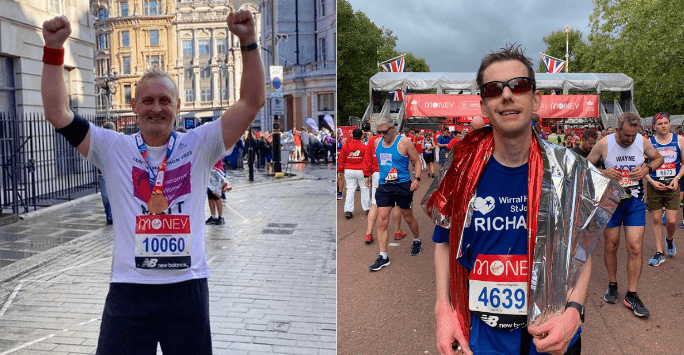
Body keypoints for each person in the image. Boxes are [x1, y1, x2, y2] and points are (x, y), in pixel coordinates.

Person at [41, 10, 264, 354]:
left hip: (186, 288)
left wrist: (248, 42)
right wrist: (54, 50)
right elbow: (58, 113)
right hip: (130, 291)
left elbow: (251, 102)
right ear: (134, 105)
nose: (156, 108)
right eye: (148, 100)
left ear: (178, 105)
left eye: (164, 101)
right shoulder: (113, 147)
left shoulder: (199, 143)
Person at [433, 44, 589, 355]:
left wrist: (575, 311)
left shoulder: (568, 169)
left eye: (518, 86)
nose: (506, 95)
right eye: (493, 89)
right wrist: (442, 308)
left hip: (552, 330)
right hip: (485, 335)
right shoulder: (460, 169)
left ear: (535, 99)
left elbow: (582, 245)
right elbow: (443, 239)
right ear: (483, 105)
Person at [587, 112, 663, 318]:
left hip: (635, 201)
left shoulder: (642, 141)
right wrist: (604, 172)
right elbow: (584, 166)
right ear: (618, 130)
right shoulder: (604, 144)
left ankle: (631, 294)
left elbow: (659, 158)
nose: (630, 140)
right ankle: (612, 285)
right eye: (626, 135)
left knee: (635, 247)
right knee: (611, 245)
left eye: (633, 135)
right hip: (610, 201)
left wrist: (646, 167)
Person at [367, 116, 422, 271]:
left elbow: (416, 161)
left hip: (402, 185)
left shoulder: (404, 142)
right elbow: (376, 162)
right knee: (382, 220)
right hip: (384, 186)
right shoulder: (377, 142)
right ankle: (383, 256)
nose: (382, 134)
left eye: (384, 131)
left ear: (392, 128)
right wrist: (368, 175)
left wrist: (416, 179)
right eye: (379, 132)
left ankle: (417, 240)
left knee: (408, 217)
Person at [645, 112, 681, 266]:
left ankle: (669, 239)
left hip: (672, 185)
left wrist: (677, 178)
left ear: (670, 124)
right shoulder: (648, 142)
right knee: (656, 219)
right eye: (660, 124)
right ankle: (659, 252)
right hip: (655, 185)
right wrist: (650, 181)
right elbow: (641, 164)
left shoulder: (679, 140)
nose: (664, 126)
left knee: (672, 221)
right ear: (654, 126)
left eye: (666, 123)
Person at [338, 128, 369, 219]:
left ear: (352, 135)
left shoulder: (346, 146)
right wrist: (367, 173)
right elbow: (366, 161)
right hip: (361, 170)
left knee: (350, 190)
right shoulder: (364, 147)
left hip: (349, 169)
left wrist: (340, 170)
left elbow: (342, 159)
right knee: (364, 188)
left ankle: (348, 210)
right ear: (361, 136)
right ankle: (367, 208)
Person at [99, 121, 115, 225]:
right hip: (102, 174)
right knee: (105, 197)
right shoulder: (99, 144)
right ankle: (108, 214)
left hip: (114, 174)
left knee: (113, 196)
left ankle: (111, 217)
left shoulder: (116, 143)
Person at [206, 159, 231, 225]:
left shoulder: (215, 150)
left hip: (217, 173)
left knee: (217, 196)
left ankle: (221, 217)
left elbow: (216, 159)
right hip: (210, 173)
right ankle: (213, 217)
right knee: (210, 196)